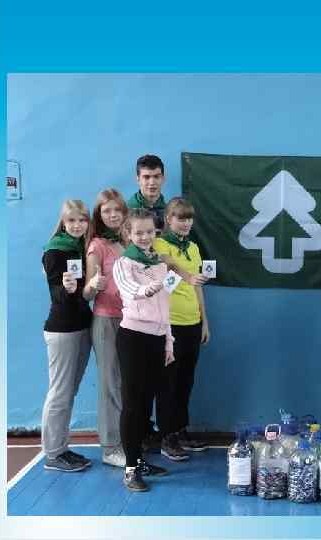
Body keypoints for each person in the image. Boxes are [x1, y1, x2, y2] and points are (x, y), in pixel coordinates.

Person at [113, 209, 172, 491]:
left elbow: (165, 306)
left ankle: (139, 460)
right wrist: (146, 289)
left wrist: (168, 341)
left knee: (147, 404)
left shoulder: (159, 263)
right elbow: (128, 289)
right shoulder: (124, 263)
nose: (145, 237)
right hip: (133, 338)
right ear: (128, 234)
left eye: (149, 232)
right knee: (132, 405)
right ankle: (130, 469)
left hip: (157, 339)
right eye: (139, 232)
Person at [153, 197, 210, 459]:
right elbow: (169, 268)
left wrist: (204, 320)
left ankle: (180, 430)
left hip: (192, 322)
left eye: (189, 218)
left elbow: (197, 286)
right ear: (169, 219)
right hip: (169, 323)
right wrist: (184, 275)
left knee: (186, 380)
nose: (185, 223)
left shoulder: (194, 248)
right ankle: (166, 436)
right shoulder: (160, 244)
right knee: (168, 382)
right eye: (180, 218)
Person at [40, 200, 94, 472]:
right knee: (60, 392)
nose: (77, 225)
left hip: (82, 327)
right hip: (63, 330)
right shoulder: (55, 251)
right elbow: (56, 294)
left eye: (82, 220)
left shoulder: (81, 248)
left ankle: (61, 448)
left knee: (69, 391)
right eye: (71, 220)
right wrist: (67, 289)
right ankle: (52, 454)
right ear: (63, 222)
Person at [83, 189, 128, 467]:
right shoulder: (96, 246)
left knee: (127, 384)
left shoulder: (127, 242)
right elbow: (87, 293)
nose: (112, 215)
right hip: (106, 321)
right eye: (106, 211)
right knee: (110, 383)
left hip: (132, 321)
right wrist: (93, 285)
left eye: (117, 210)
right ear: (99, 216)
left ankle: (127, 440)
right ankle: (111, 447)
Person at [127, 154, 167, 233]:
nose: (152, 182)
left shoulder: (169, 211)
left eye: (156, 177)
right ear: (138, 179)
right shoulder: (127, 211)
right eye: (146, 177)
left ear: (163, 178)